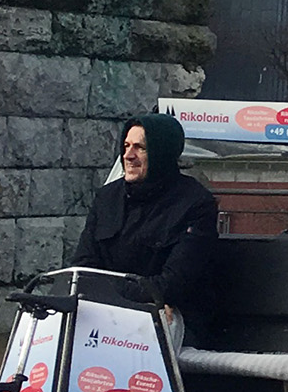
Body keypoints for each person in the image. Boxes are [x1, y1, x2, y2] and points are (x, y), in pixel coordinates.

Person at [75, 112, 221, 338]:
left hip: (172, 314)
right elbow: (82, 268)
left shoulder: (195, 203)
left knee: (151, 328)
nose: (128, 155)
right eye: (126, 146)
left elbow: (174, 283)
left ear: (161, 152)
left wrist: (118, 295)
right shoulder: (107, 198)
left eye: (140, 148)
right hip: (107, 308)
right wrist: (119, 300)